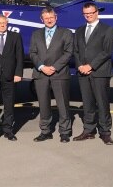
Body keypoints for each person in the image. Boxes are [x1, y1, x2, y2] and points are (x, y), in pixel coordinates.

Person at [73, 2, 113, 145]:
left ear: (97, 12)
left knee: (102, 103)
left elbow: (106, 52)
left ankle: (105, 132)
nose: (89, 16)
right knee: (87, 103)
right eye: (86, 14)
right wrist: (79, 65)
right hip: (83, 73)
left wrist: (91, 66)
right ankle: (89, 130)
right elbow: (76, 51)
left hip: (99, 72)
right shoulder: (79, 30)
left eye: (91, 13)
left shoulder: (107, 30)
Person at [29, 7, 73, 143]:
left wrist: (54, 67)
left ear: (56, 18)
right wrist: (42, 67)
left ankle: (65, 132)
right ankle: (45, 131)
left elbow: (68, 52)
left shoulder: (66, 33)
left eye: (51, 17)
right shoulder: (36, 34)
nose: (49, 20)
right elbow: (32, 53)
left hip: (59, 73)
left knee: (63, 104)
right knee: (43, 104)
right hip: (41, 74)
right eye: (46, 18)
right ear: (42, 19)